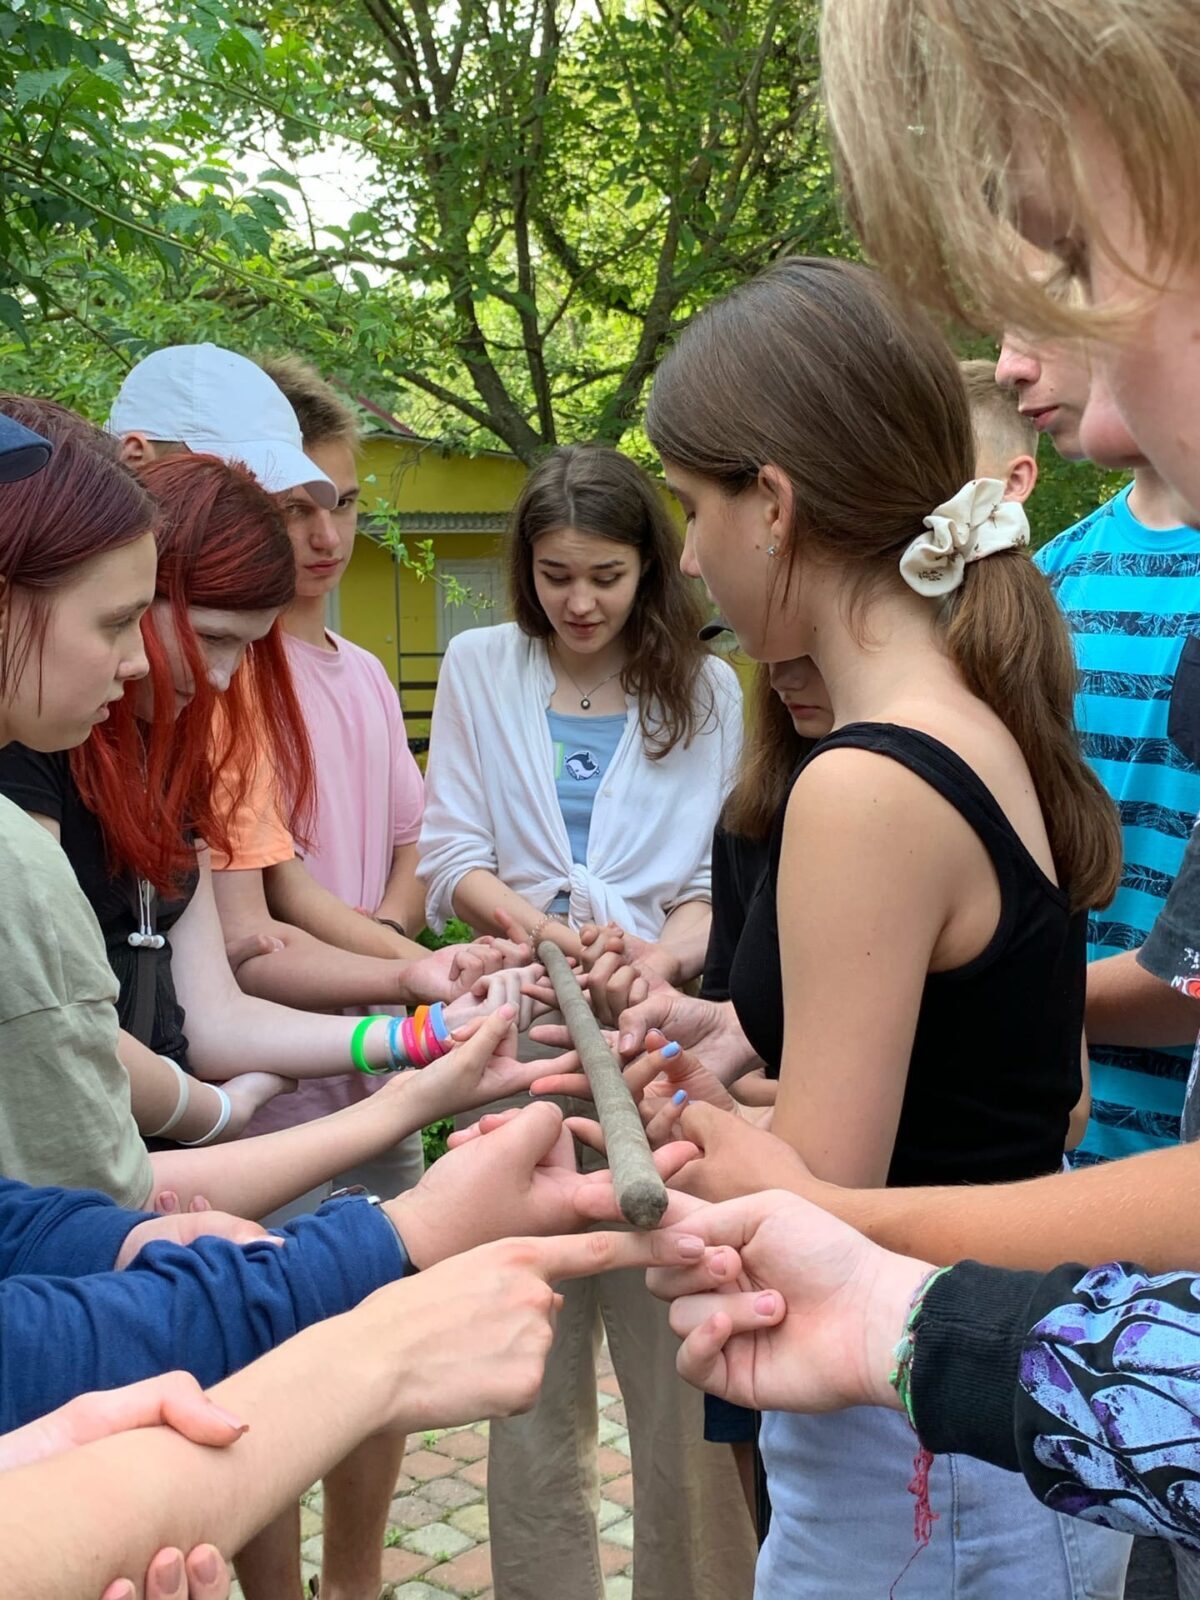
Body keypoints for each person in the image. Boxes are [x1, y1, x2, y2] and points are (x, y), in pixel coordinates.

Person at [637, 253, 1129, 1596]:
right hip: (976, 1402)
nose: (690, 554)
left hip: (915, 1447)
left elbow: (811, 1205)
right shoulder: (968, 723)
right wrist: (714, 1088)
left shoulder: (863, 785)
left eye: (692, 507)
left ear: (774, 505)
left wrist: (669, 1130)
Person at [0, 401, 534, 1224]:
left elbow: (213, 1012)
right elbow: (83, 1052)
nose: (219, 678)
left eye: (246, 649)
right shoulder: (32, 766)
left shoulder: (173, 757)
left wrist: (419, 1034)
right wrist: (210, 1110)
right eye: (121, 623)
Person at [420, 443, 751, 1600]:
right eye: (555, 574)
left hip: (660, 1045)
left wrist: (657, 958)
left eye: (605, 575)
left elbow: (713, 885)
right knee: (530, 1365)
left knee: (676, 1362)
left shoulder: (709, 690)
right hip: (522, 1041)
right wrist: (537, 928)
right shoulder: (481, 665)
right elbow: (450, 854)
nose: (579, 601)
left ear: (650, 566)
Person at [107, 342, 516, 1007]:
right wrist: (419, 978)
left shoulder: (323, 673)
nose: (325, 537)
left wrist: (412, 972)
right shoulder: (76, 703)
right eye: (287, 507)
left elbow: (245, 939)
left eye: (343, 504)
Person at [991, 319, 1200, 1167]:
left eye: (1040, 316)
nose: (1007, 367)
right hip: (1051, 1143)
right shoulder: (1052, 579)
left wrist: (951, 1001)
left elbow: (1187, 982)